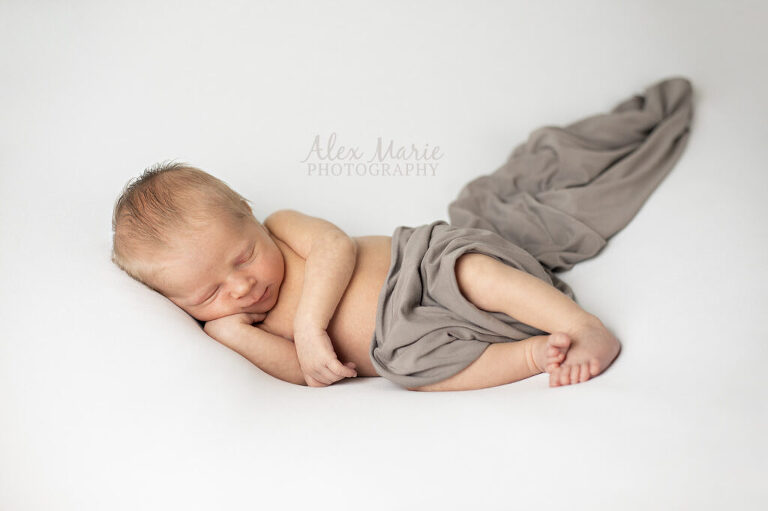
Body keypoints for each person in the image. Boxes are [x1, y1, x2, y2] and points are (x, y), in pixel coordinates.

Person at [111, 162, 619, 391]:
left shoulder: (282, 227)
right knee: (420, 376)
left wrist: (309, 324)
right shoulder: (240, 326)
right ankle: (534, 356)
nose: (241, 287)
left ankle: (581, 326)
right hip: (402, 344)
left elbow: (335, 246)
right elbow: (305, 370)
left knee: (472, 271)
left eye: (243, 257)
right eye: (209, 294)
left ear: (249, 214)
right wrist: (234, 335)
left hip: (417, 268)